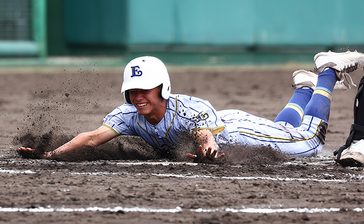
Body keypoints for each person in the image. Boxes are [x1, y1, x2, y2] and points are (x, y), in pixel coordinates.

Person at [17, 51, 364, 162]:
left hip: (234, 130)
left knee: (309, 141)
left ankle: (328, 71)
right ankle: (303, 88)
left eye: (145, 89)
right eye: (133, 90)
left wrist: (208, 152)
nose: (138, 96)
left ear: (163, 88)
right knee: (286, 132)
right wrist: (51, 154)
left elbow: (205, 138)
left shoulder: (189, 109)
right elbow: (92, 138)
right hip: (231, 129)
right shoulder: (128, 115)